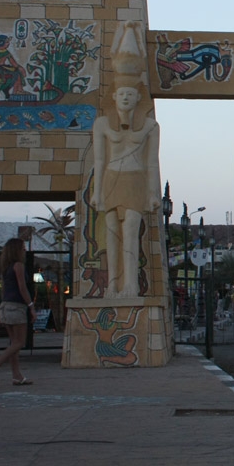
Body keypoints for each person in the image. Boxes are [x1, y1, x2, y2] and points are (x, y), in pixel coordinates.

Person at [91, 21, 161, 298]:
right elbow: (98, 160)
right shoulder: (101, 125)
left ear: (138, 97)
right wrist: (96, 193)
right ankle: (112, 286)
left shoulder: (150, 127)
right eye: (122, 94)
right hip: (110, 177)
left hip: (135, 179)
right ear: (114, 96)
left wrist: (153, 192)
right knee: (111, 235)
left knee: (131, 230)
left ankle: (131, 284)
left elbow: (152, 162)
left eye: (131, 95)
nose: (126, 98)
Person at [0, 237, 35, 387]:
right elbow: (22, 287)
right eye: (23, 248)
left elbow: (5, 289)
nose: (25, 250)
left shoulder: (6, 267)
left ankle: (17, 376)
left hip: (6, 305)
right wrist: (31, 305)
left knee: (14, 343)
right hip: (16, 307)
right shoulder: (18, 266)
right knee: (20, 342)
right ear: (17, 250)